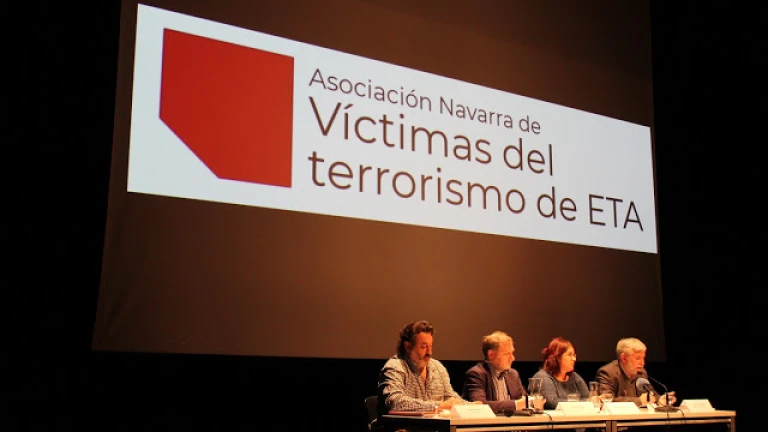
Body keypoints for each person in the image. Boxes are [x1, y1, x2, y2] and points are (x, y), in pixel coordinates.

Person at [377, 320, 468, 416]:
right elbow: (395, 402)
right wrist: (438, 406)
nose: (429, 352)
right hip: (401, 425)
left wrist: (471, 406)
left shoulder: (438, 367)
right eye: (423, 347)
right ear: (408, 347)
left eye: (430, 346)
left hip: (434, 424)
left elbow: (450, 398)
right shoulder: (395, 367)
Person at [596, 337, 676, 407]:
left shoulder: (641, 372)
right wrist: (638, 401)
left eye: (643, 358)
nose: (642, 363)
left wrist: (660, 399)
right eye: (638, 358)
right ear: (624, 358)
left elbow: (650, 394)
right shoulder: (607, 373)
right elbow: (606, 400)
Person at [462, 331, 529, 414]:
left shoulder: (513, 374)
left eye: (512, 353)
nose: (512, 358)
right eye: (507, 354)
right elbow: (479, 405)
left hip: (511, 420)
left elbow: (524, 401)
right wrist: (515, 404)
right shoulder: (476, 374)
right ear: (491, 355)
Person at [532, 336, 589, 410]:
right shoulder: (543, 377)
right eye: (569, 355)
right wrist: (579, 404)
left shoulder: (575, 377)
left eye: (574, 355)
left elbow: (588, 399)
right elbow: (553, 403)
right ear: (557, 357)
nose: (574, 359)